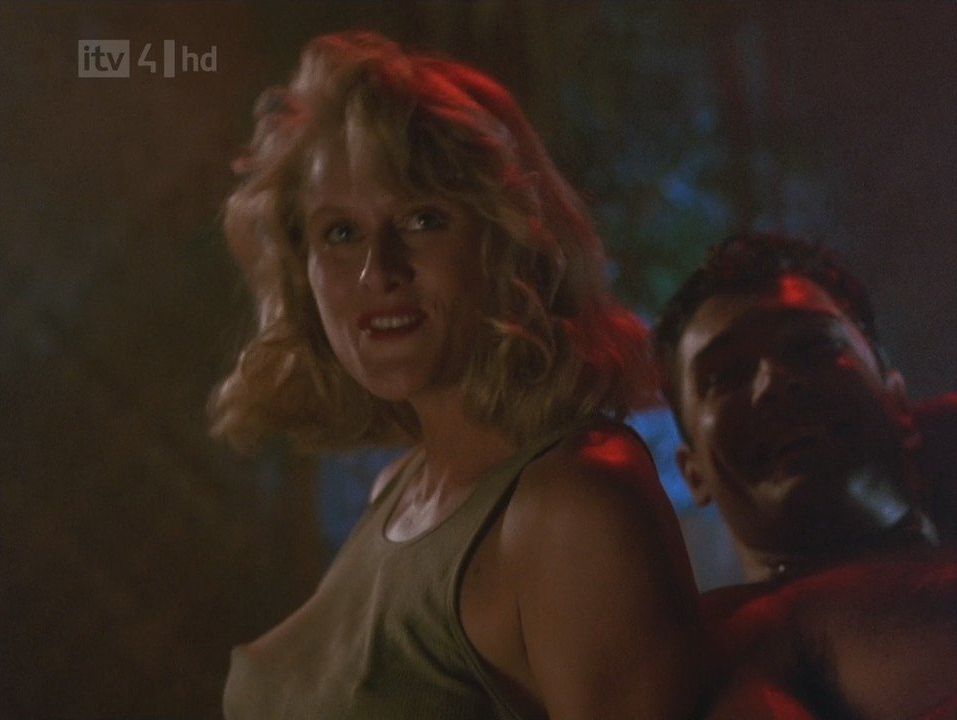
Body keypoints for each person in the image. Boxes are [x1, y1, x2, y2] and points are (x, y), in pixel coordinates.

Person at [210, 31, 701, 719]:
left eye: (422, 219)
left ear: (510, 241)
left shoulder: (572, 504)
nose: (377, 271)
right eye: (340, 233)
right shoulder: (396, 490)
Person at [653, 232, 956, 718]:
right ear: (694, 475)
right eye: (725, 376)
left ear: (900, 402)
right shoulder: (730, 657)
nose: (774, 382)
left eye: (812, 347)